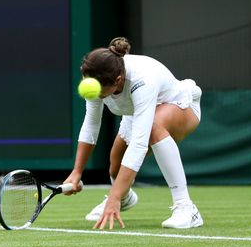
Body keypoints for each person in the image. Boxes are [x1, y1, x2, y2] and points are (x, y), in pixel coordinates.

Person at [63, 37, 204, 230]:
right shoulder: (95, 77)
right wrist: (77, 171)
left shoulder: (142, 80)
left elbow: (139, 143)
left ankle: (186, 208)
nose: (99, 98)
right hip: (138, 112)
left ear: (118, 80)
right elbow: (91, 124)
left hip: (181, 107)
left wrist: (113, 194)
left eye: (103, 95)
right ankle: (125, 198)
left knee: (153, 128)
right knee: (116, 164)